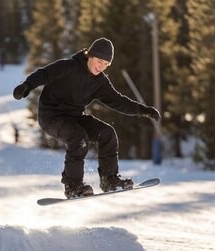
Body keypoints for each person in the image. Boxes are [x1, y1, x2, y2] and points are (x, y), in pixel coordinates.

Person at [13, 38, 160, 199]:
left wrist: (143, 110)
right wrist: (26, 86)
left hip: (74, 117)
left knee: (107, 133)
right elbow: (43, 74)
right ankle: (73, 186)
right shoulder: (68, 67)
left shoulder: (100, 82)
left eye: (106, 64)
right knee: (78, 138)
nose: (101, 67)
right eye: (99, 61)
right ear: (90, 55)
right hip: (51, 117)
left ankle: (109, 180)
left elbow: (118, 101)